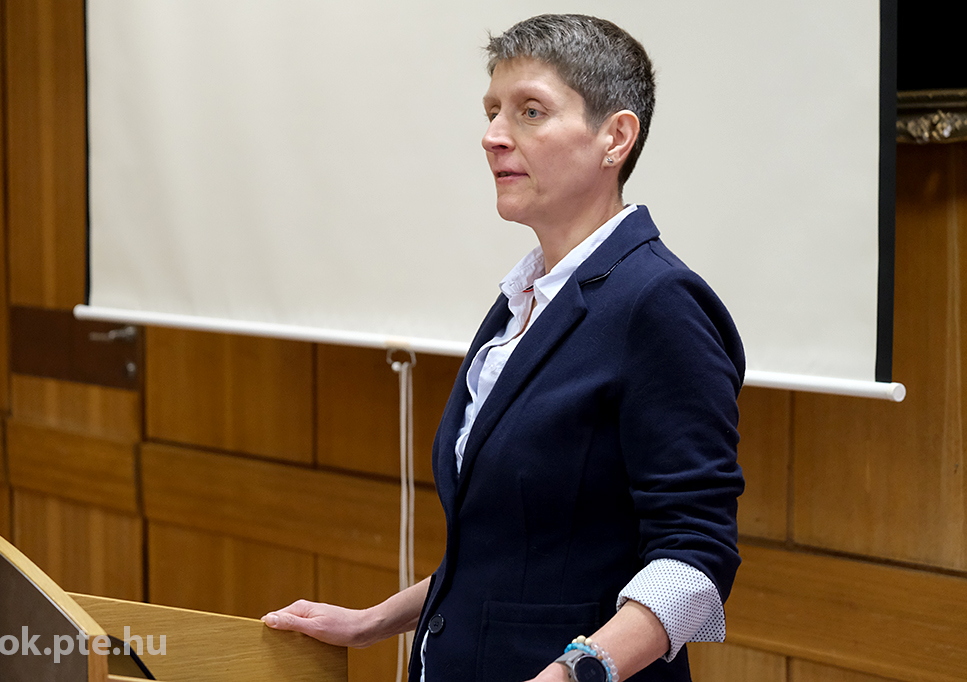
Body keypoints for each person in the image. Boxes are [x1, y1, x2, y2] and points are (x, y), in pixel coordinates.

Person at [262, 14, 744, 682]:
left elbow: (694, 560)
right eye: (492, 111)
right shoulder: (525, 297)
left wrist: (573, 673)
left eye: (530, 112)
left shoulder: (658, 302)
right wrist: (371, 622)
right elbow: (508, 554)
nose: (492, 136)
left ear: (614, 137)